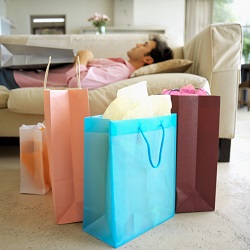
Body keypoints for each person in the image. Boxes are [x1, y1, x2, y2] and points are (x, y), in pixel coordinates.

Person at [0, 35, 173, 90]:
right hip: (18, 71)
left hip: (18, 78)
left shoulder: (120, 72)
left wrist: (83, 58)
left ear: (148, 59)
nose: (137, 44)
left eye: (144, 45)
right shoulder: (119, 65)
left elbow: (78, 83)